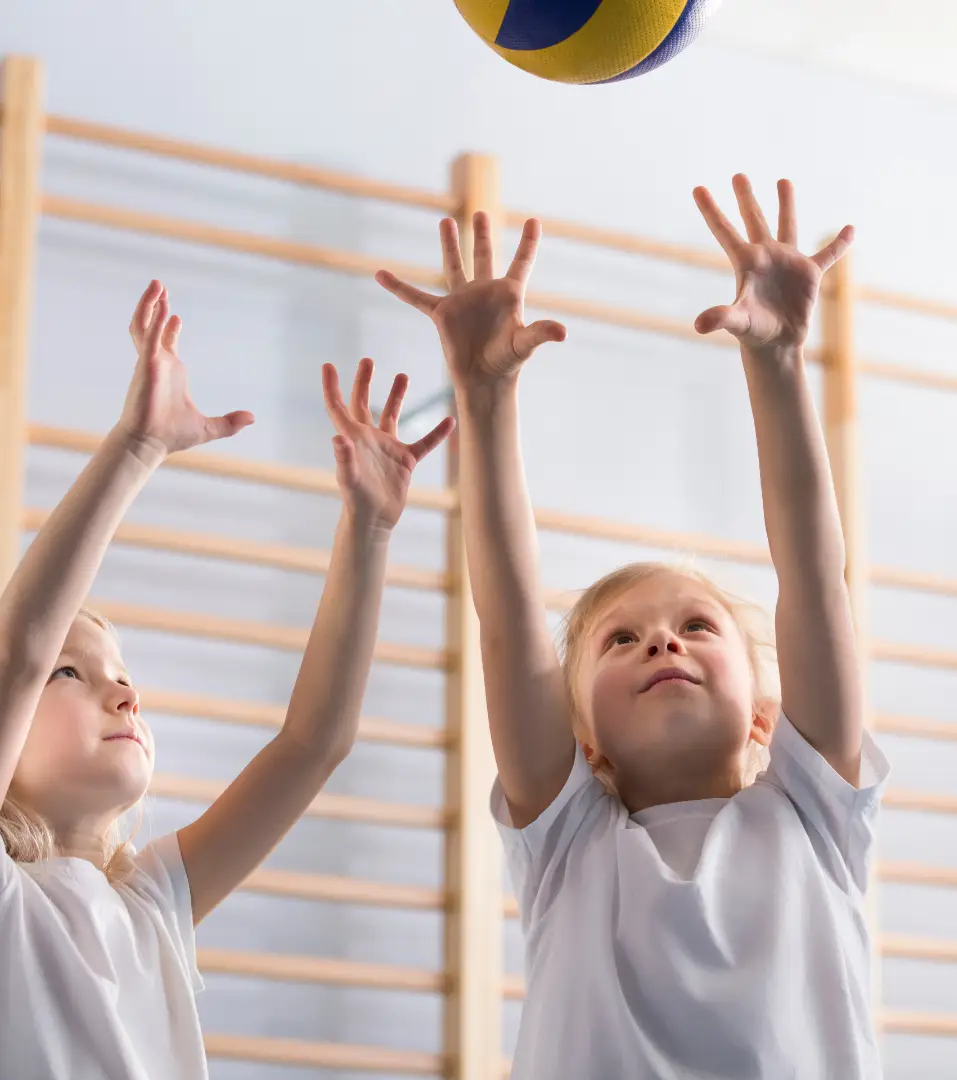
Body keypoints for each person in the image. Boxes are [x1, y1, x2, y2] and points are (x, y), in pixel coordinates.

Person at [377, 176, 890, 1079]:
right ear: (586, 743)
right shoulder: (570, 839)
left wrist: (777, 365)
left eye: (697, 626)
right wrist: (484, 401)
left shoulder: (814, 814)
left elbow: (814, 575)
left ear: (764, 718)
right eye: (619, 639)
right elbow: (506, 621)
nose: (663, 641)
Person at [0, 280, 453, 1080]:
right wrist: (136, 447)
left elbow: (315, 743)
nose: (124, 693)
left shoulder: (147, 905)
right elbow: (19, 648)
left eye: (123, 676)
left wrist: (368, 530)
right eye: (71, 673)